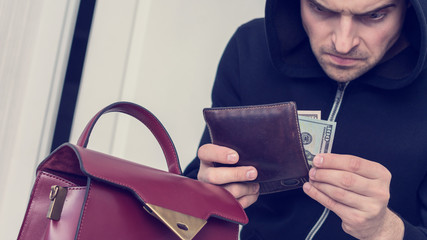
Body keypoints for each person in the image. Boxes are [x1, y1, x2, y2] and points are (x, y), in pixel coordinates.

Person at [184, 0, 427, 239]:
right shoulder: (250, 46)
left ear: (409, 6)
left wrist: (386, 230)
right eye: (320, 8)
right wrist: (207, 189)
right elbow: (201, 176)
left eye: (374, 15)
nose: (343, 44)